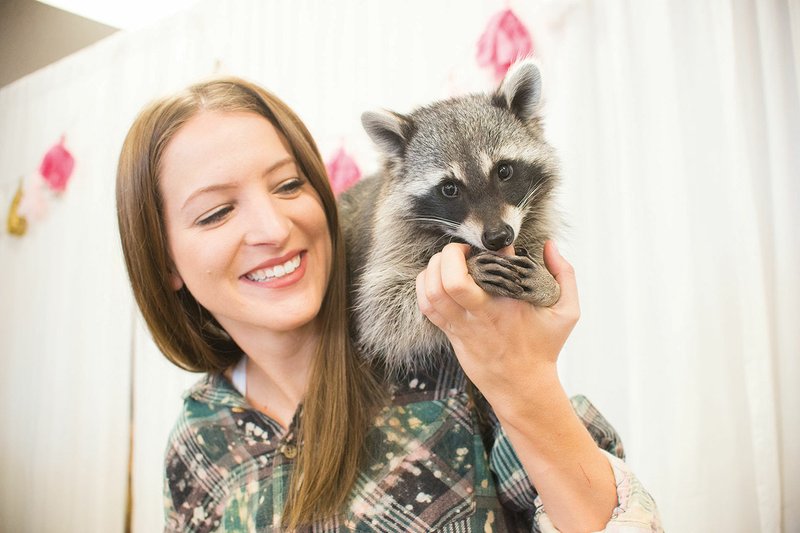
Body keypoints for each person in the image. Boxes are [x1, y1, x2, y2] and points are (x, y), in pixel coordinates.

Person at [116, 77, 662, 532]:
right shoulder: (201, 440)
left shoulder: (455, 348)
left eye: (287, 186)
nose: (271, 229)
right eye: (215, 213)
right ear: (164, 262)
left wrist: (523, 377)